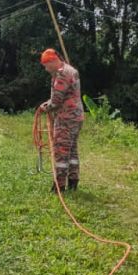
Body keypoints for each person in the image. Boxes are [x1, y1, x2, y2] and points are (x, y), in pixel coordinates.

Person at [38, 48, 84, 192]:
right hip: (76, 117)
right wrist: (49, 102)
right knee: (72, 150)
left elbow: (57, 101)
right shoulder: (70, 70)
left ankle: (59, 186)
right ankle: (73, 180)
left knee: (61, 150)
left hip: (66, 118)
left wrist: (46, 107)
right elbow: (65, 95)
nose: (46, 69)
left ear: (52, 61)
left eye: (46, 65)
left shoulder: (62, 74)